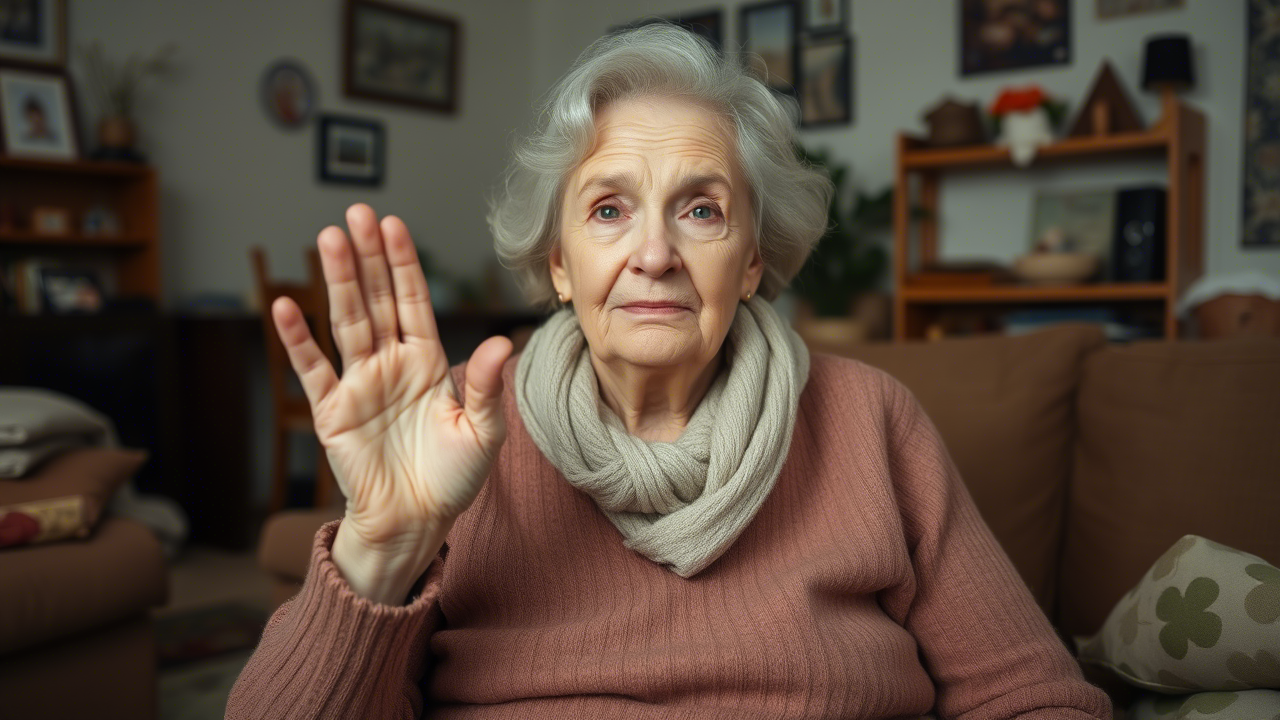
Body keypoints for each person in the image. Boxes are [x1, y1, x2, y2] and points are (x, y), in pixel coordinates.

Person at [226, 22, 1112, 719]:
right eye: (609, 210)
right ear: (560, 264)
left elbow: (1033, 697)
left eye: (701, 210)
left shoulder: (870, 419)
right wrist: (383, 546)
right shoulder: (457, 427)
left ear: (753, 262)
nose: (654, 254)